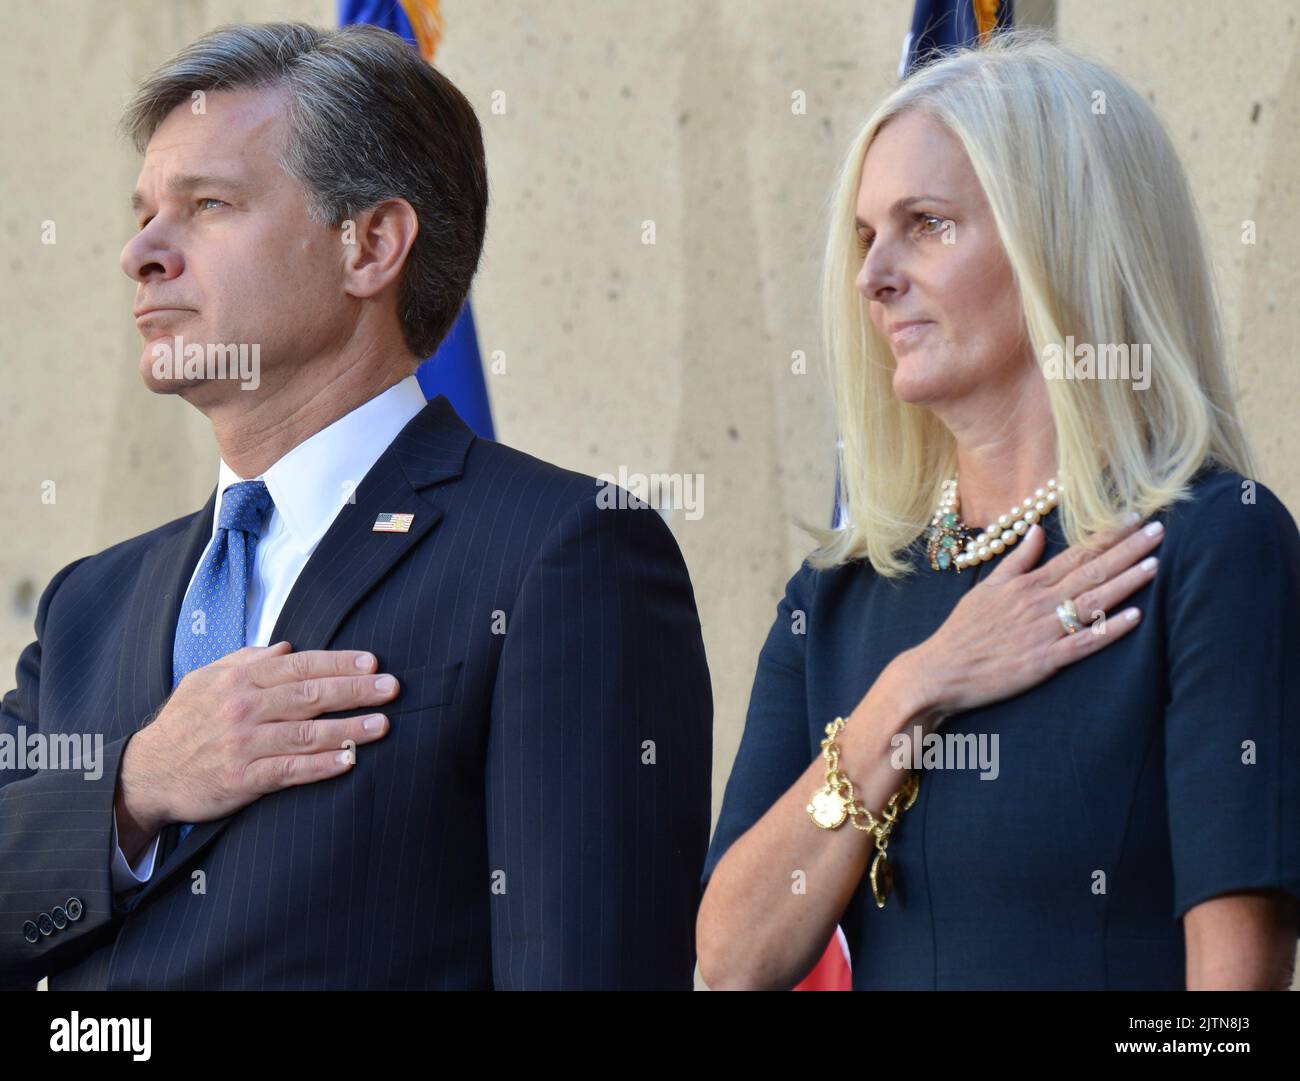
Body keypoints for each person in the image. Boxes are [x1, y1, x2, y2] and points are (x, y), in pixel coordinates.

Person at [0, 22, 711, 991]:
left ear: (370, 244)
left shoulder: (559, 551)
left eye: (207, 205)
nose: (141, 253)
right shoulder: (91, 604)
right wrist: (141, 784)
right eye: (143, 214)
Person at [696, 31, 1299, 991]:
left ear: (1059, 240)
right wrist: (913, 689)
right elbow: (730, 960)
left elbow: (1236, 991)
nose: (873, 275)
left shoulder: (1212, 542)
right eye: (865, 236)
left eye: (926, 223)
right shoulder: (844, 593)